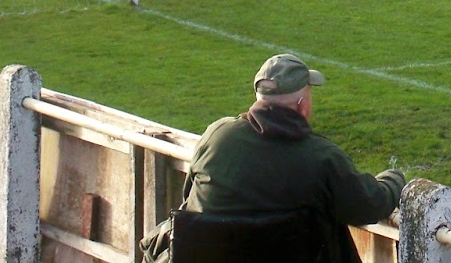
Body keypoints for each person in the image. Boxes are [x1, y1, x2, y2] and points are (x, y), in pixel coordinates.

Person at [170, 54, 405, 263]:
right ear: (302, 106)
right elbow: (369, 205)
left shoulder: (216, 136)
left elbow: (189, 195)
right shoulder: (321, 158)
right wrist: (394, 180)